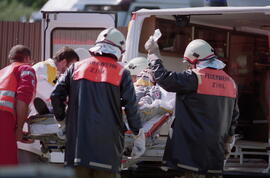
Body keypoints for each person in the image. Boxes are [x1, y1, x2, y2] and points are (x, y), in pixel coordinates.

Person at [50, 27, 145, 178]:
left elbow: (55, 95)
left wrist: (62, 121)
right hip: (107, 152)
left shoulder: (75, 67)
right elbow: (131, 107)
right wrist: (138, 135)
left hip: (77, 151)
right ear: (119, 49)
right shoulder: (122, 73)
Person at [145, 37, 239, 178]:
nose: (188, 68)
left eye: (189, 64)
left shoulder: (195, 78)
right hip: (214, 157)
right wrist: (227, 143)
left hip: (189, 156)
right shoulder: (231, 82)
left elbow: (164, 79)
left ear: (195, 60)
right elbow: (234, 118)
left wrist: (154, 54)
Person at [17, 46, 79, 164]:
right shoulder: (47, 68)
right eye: (71, 66)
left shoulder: (49, 71)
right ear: (64, 62)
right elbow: (53, 95)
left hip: (35, 141)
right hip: (27, 138)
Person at [0, 44, 36, 165]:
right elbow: (22, 99)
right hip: (4, 119)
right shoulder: (26, 69)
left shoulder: (3, 72)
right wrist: (19, 129)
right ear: (27, 58)